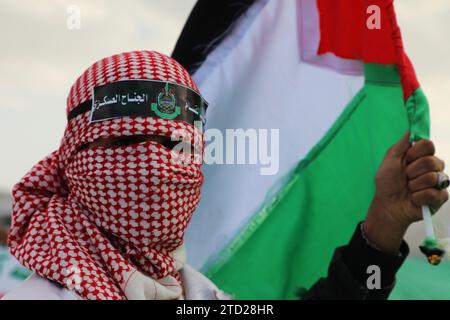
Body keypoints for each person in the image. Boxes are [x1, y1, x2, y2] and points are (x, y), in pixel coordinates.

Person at [2, 51, 449, 300]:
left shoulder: (198, 296)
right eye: (125, 144)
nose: (156, 166)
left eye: (176, 146)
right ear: (75, 159)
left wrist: (385, 224)